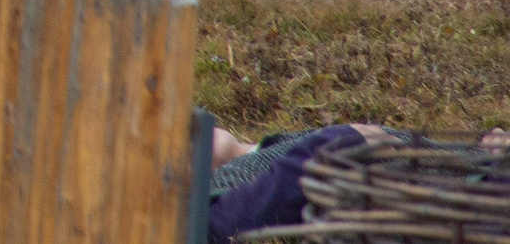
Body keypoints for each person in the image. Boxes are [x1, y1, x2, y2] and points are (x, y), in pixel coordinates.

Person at [209, 120, 509, 238]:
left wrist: (485, 155)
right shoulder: (201, 206)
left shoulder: (265, 151)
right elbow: (224, 223)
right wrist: (341, 140)